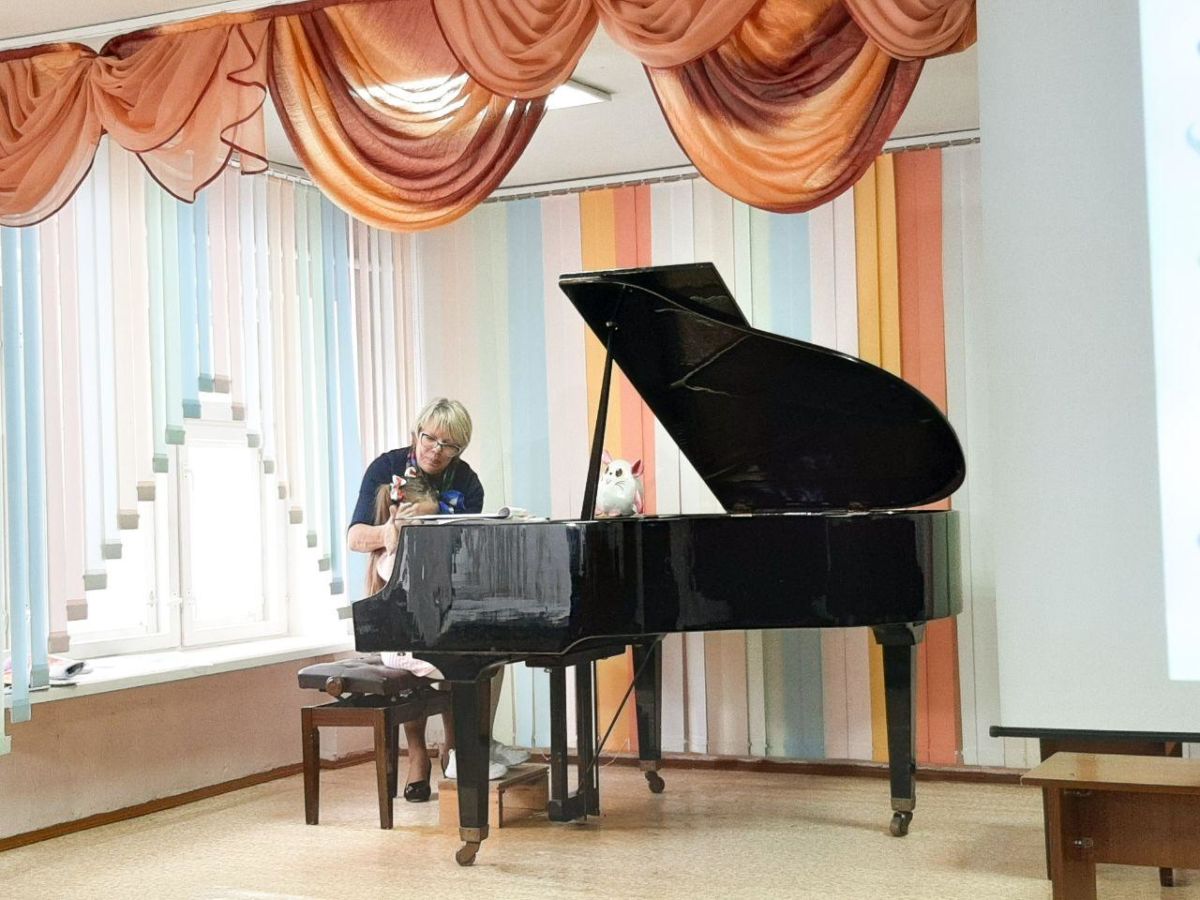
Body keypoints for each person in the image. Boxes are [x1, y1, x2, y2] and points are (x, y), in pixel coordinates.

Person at [347, 398, 526, 802]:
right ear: (417, 432)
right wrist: (390, 533)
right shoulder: (386, 468)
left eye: (449, 445)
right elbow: (355, 536)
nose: (436, 450)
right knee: (453, 656)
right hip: (400, 614)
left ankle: (463, 746)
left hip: (444, 597)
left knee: (487, 650)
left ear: (460, 448)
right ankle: (429, 755)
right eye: (429, 438)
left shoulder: (467, 482)